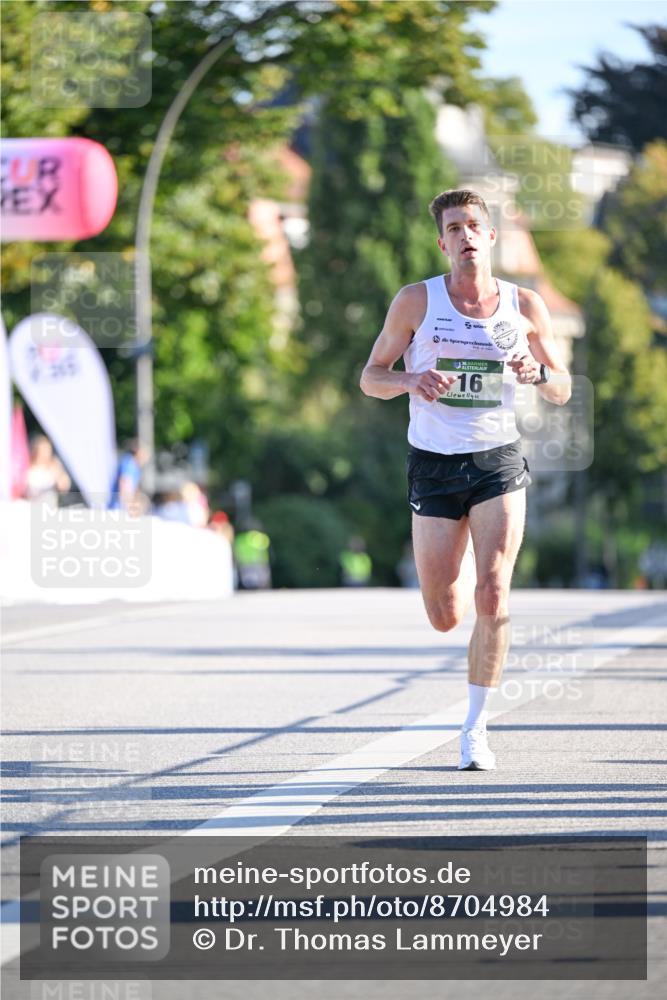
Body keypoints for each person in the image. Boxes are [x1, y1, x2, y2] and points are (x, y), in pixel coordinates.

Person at [360, 188, 571, 770]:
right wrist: (410, 381)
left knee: (493, 591)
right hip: (432, 464)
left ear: (491, 236)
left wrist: (538, 371)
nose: (466, 236)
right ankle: (450, 623)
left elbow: (563, 387)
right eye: (454, 228)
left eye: (474, 225)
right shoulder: (416, 302)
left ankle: (475, 728)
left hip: (496, 462)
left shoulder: (524, 306)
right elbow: (370, 376)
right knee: (444, 611)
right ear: (443, 242)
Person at [24, 435, 70, 506]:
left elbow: (64, 486)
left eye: (46, 450)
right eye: (41, 450)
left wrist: (59, 478)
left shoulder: (54, 465)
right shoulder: (27, 466)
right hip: (30, 505)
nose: (44, 453)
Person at [109, 440, 149, 513]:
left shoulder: (135, 467)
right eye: (145, 453)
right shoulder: (129, 463)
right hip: (118, 506)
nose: (147, 458)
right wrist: (127, 504)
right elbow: (124, 482)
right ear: (138, 452)